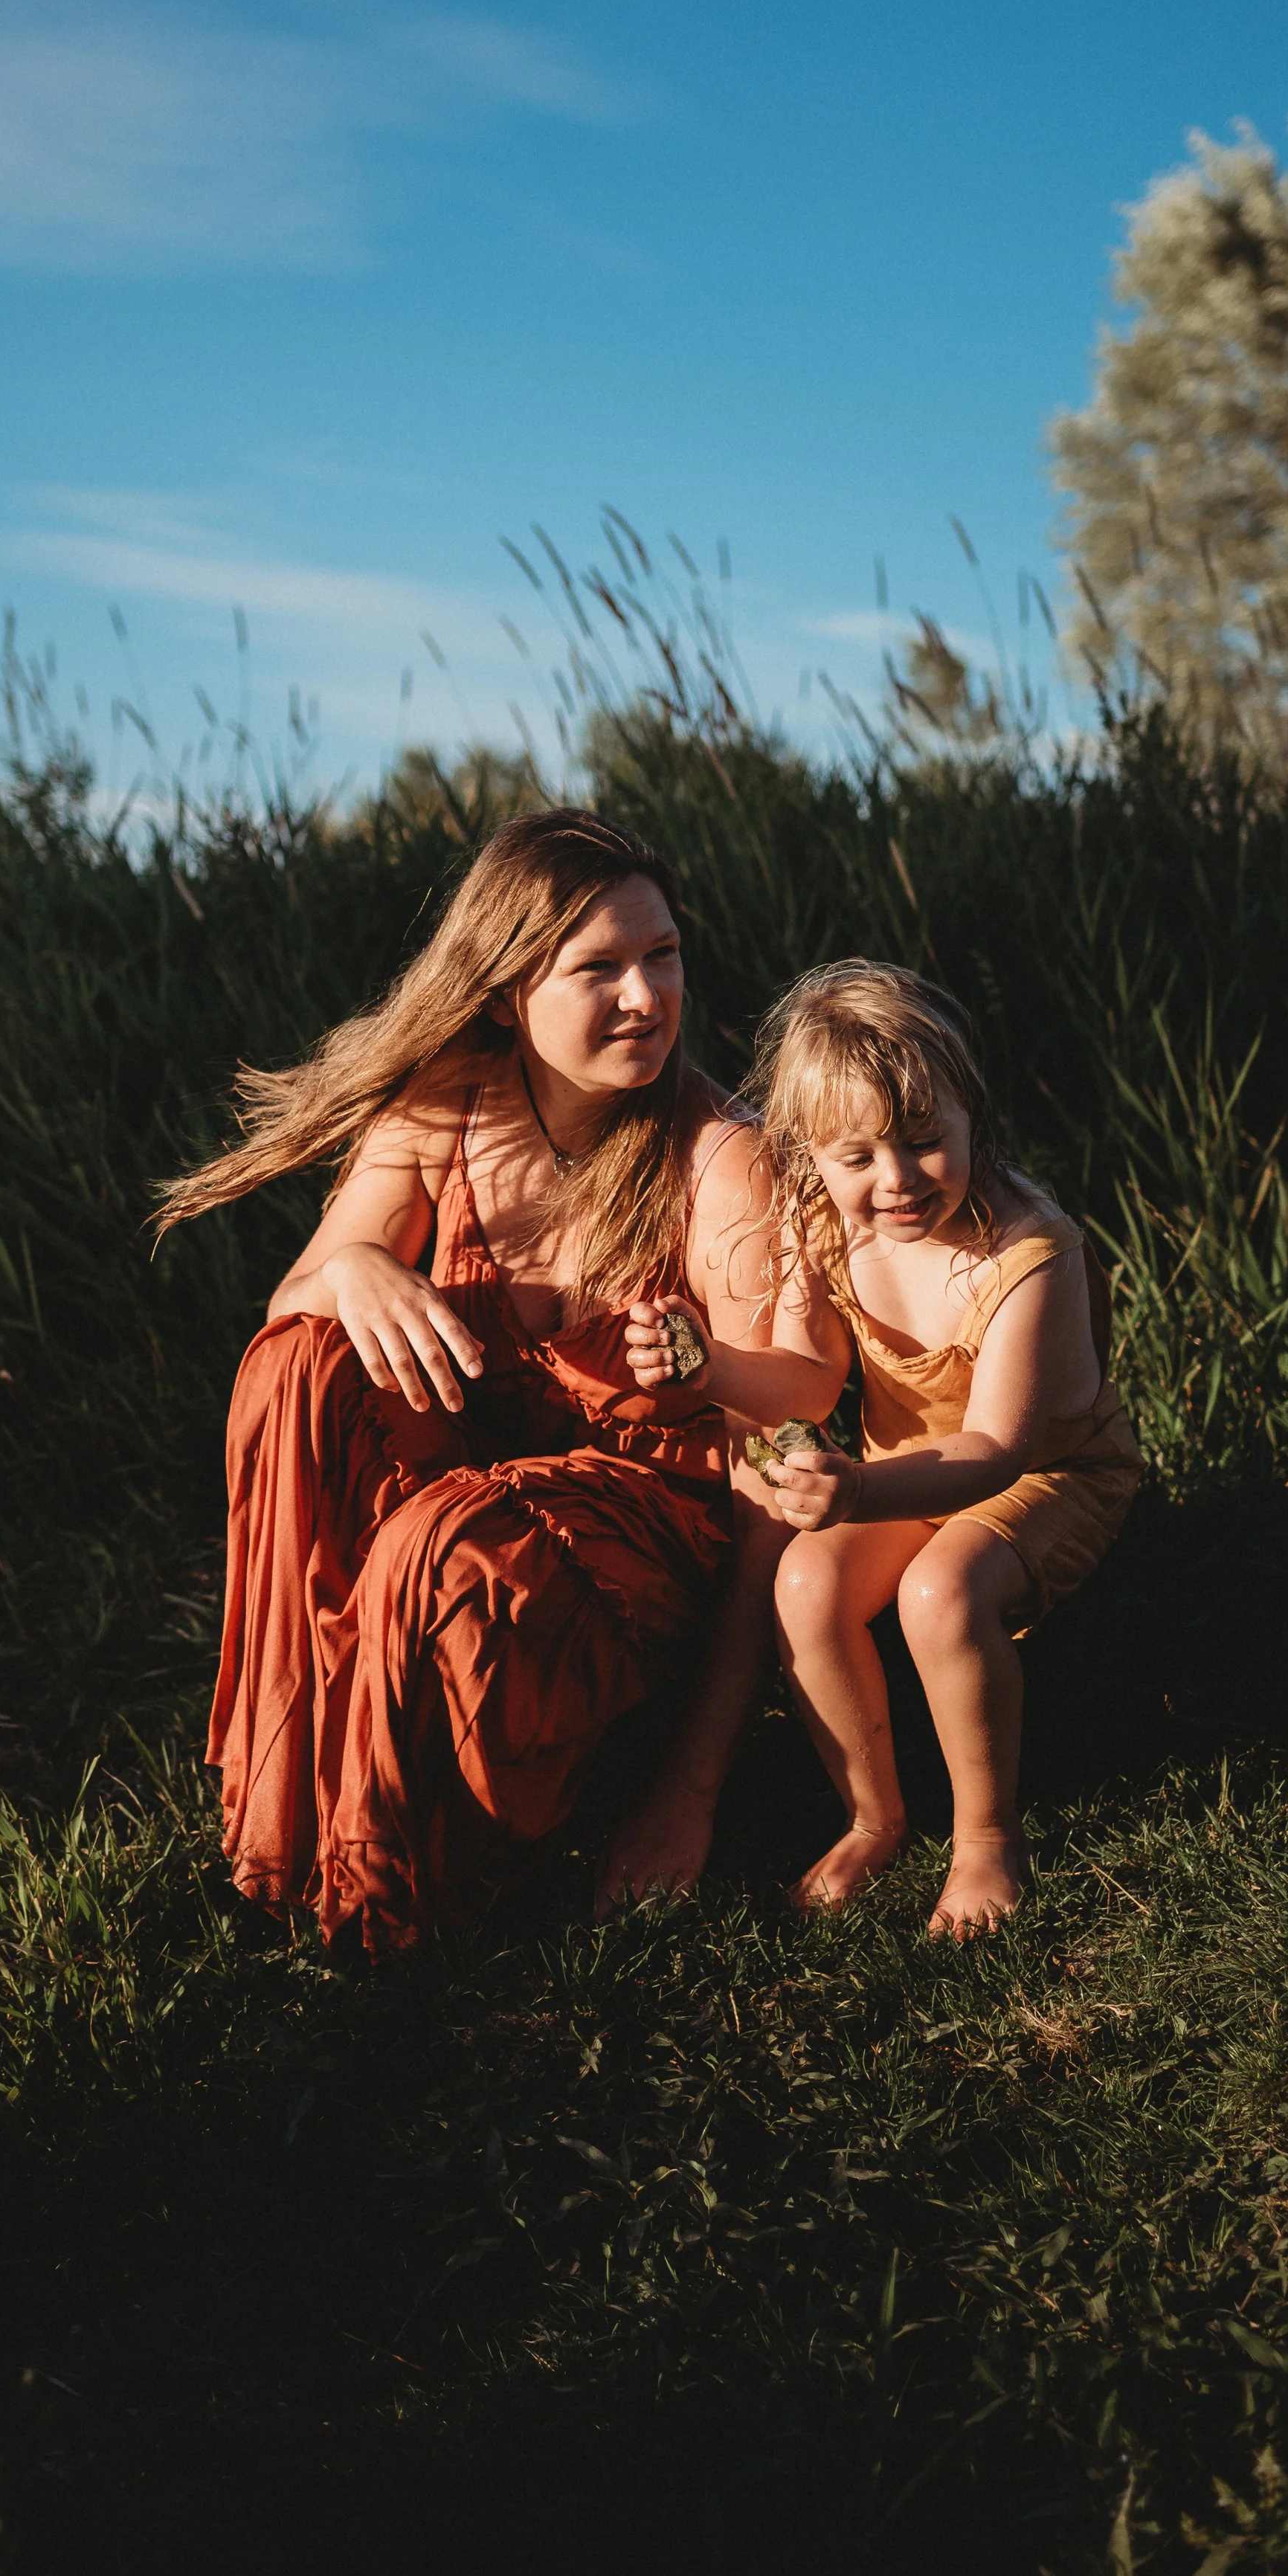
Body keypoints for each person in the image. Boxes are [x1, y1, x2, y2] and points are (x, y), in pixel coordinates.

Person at [153, 808, 837, 1954]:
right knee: (295, 1371)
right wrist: (360, 1268)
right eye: (601, 969)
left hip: (636, 1575)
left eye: (662, 956)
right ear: (510, 986)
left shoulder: (720, 1157)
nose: (646, 997)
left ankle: (414, 1882)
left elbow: (780, 1471)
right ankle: (297, 1800)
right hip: (475, 1517)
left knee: (443, 1535)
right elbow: (294, 1300)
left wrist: (690, 1790)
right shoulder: (445, 1104)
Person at [634, 959, 1142, 1940]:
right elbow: (810, 1381)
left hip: (1047, 1476)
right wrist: (711, 1377)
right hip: (905, 1472)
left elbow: (998, 1446)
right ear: (811, 1159)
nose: (898, 1181)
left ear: (971, 1117)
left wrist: (857, 1486)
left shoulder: (1031, 1251)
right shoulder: (825, 1230)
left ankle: (986, 1838)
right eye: (857, 1157)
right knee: (803, 1589)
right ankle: (877, 1816)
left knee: (939, 1594)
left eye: (923, 1143)